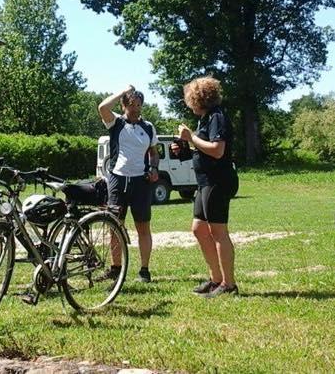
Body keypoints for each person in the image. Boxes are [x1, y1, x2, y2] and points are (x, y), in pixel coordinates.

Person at [175, 76, 239, 297]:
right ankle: (216, 279)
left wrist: (191, 137)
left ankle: (229, 285)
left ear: (198, 98)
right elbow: (203, 148)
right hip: (205, 182)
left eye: (190, 99)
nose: (188, 103)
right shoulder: (206, 118)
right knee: (199, 229)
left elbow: (217, 150)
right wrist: (185, 147)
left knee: (218, 231)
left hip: (218, 180)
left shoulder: (217, 117)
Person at [97, 85, 160, 283]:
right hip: (117, 178)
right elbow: (102, 107)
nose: (136, 109)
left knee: (143, 226)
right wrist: (123, 90)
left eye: (139, 105)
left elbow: (154, 153)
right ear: (124, 105)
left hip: (140, 181)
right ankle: (116, 268)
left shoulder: (148, 127)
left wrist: (154, 168)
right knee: (115, 226)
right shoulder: (115, 123)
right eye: (132, 105)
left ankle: (144, 270)